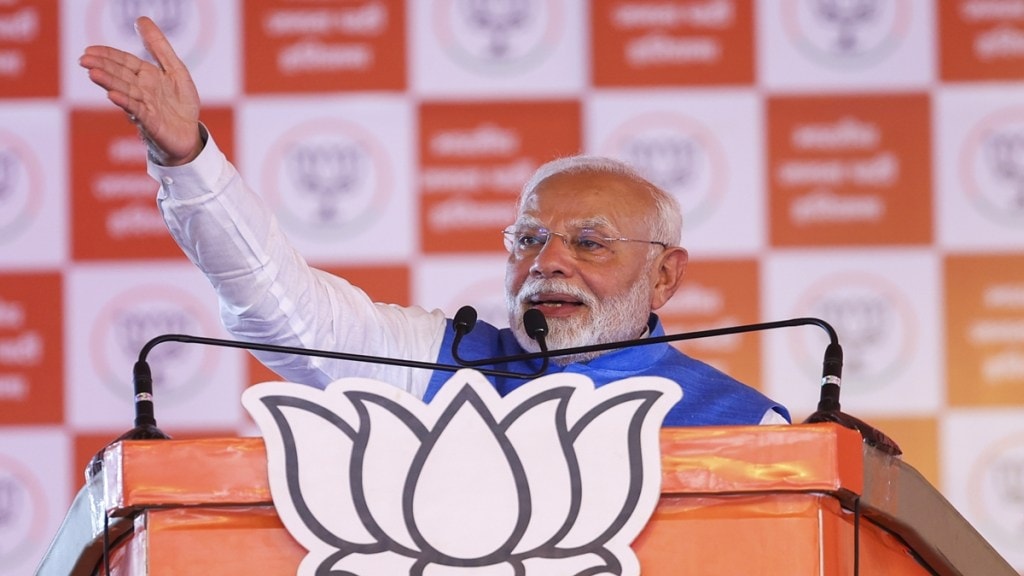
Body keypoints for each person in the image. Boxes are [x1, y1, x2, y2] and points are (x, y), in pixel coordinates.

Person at [79, 17, 790, 426]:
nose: (548, 262)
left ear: (664, 275)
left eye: (590, 242)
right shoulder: (437, 363)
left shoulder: (745, 424)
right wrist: (188, 158)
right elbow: (282, 313)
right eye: (530, 239)